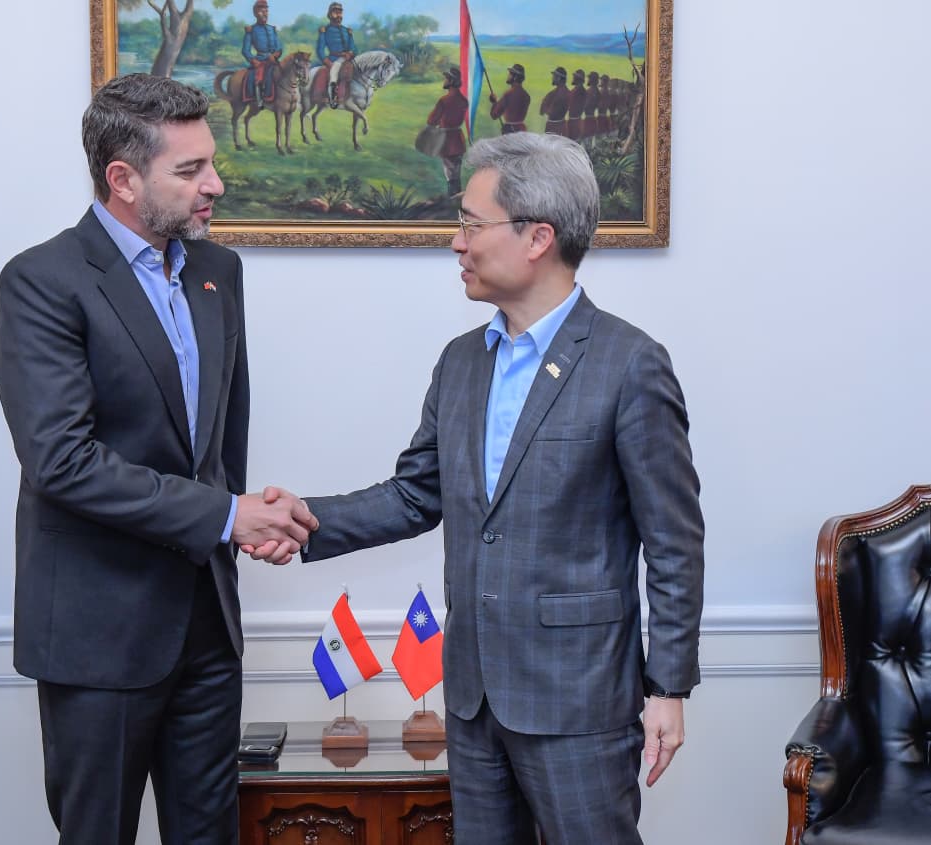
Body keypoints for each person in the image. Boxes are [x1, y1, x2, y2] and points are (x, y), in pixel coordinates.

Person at [249, 132, 705, 844]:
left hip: (578, 698)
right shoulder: (461, 362)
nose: (456, 242)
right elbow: (414, 495)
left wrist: (667, 686)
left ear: (537, 237)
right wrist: (305, 519)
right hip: (472, 696)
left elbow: (674, 540)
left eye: (470, 223)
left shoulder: (629, 364)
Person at [0, 73, 317, 845]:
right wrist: (227, 515)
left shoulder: (218, 272)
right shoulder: (42, 281)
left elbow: (220, 441)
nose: (216, 184)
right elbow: (62, 460)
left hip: (207, 623)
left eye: (212, 163)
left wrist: (242, 521)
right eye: (191, 169)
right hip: (97, 631)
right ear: (123, 179)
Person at [425, 66, 468, 196]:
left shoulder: (444, 100)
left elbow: (431, 120)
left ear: (451, 81)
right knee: (456, 173)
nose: (444, 81)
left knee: (450, 174)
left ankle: (453, 199)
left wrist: (439, 122)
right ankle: (456, 196)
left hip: (447, 140)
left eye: (446, 78)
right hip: (458, 139)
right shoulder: (464, 100)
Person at [242, 0, 282, 109]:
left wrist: (275, 55)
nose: (265, 14)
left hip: (273, 60)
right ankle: (259, 100)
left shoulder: (272, 29)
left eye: (266, 11)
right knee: (258, 77)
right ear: (255, 13)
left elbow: (279, 47)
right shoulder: (251, 30)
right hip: (260, 60)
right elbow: (245, 50)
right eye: (261, 11)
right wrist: (252, 60)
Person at [316, 1, 356, 108]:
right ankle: (333, 97)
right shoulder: (325, 31)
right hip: (334, 59)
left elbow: (353, 47)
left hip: (348, 59)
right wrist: (326, 61)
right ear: (330, 15)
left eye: (340, 12)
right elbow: (320, 49)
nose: (338, 15)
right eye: (335, 12)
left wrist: (351, 53)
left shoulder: (347, 31)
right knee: (334, 72)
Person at [488, 63, 531, 134]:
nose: (508, 76)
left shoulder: (508, 94)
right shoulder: (527, 96)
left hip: (510, 132)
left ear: (515, 77)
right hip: (522, 132)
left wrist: (494, 102)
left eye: (510, 74)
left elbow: (494, 115)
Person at [538, 65, 570, 135]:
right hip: (562, 127)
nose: (552, 78)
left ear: (559, 78)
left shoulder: (555, 93)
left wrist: (545, 106)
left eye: (554, 76)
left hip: (553, 128)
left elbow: (545, 111)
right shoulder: (567, 92)